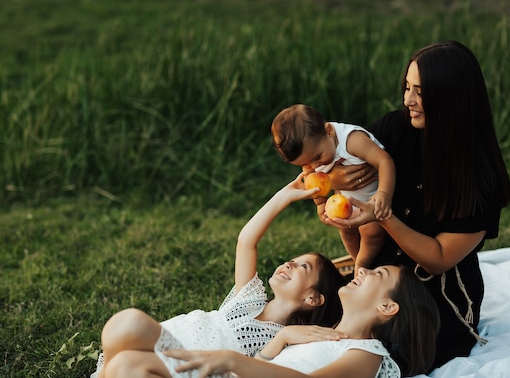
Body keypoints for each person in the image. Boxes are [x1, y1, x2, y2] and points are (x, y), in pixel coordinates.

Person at [326, 40, 510, 370]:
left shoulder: (481, 178)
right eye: (407, 87)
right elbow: (342, 170)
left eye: (420, 92)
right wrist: (334, 184)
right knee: (310, 311)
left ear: (452, 98)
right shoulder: (394, 129)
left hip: (433, 299)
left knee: (386, 348)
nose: (408, 100)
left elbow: (438, 259)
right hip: (373, 281)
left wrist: (383, 216)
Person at [90, 175, 348, 378]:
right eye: (292, 260)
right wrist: (284, 197)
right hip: (169, 342)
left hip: (195, 368)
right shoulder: (249, 299)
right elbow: (247, 241)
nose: (289, 264)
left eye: (303, 267)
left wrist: (286, 336)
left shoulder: (286, 343)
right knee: (124, 327)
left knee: (129, 328)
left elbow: (263, 369)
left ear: (314, 298)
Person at [148, 264, 440, 378]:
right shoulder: (315, 333)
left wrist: (234, 360)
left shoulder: (367, 354)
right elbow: (267, 364)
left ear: (387, 306)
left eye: (379, 273)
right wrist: (281, 339)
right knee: (130, 352)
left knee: (132, 357)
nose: (362, 269)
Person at [271, 104, 396, 273]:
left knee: (371, 231)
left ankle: (363, 264)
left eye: (317, 157)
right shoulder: (313, 154)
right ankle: (355, 258)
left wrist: (384, 194)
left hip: (372, 199)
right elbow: (313, 181)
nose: (314, 165)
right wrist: (321, 204)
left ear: (329, 131)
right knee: (345, 229)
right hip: (346, 200)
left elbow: (384, 161)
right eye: (305, 163)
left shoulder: (352, 141)